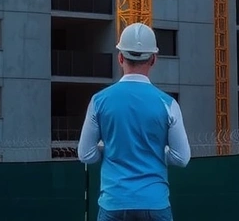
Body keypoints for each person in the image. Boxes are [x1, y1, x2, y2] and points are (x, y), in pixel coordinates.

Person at [77, 22, 191, 221]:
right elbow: (182, 158)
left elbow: (86, 154)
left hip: (114, 203)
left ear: (120, 57)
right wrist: (156, 152)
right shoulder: (169, 104)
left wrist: (109, 149)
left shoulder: (99, 101)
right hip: (154, 203)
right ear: (153, 59)